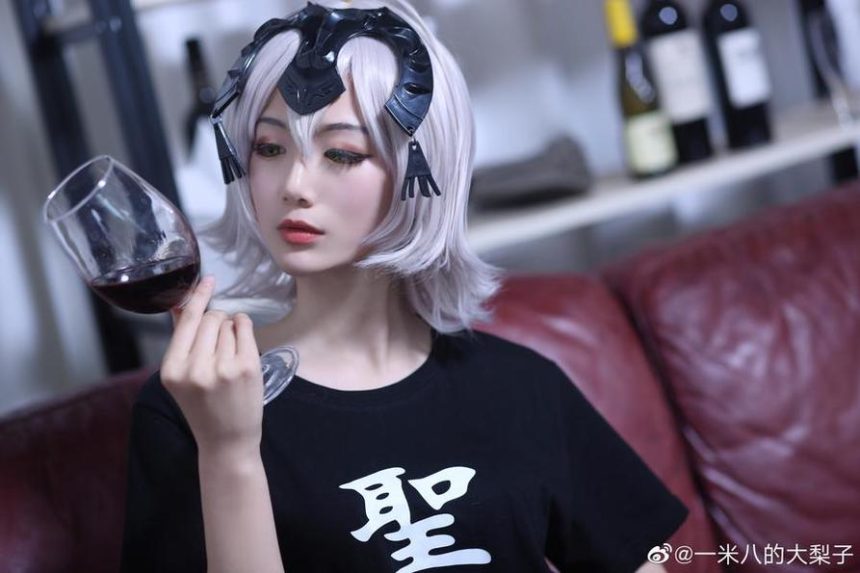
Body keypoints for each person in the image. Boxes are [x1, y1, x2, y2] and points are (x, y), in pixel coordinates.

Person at [120, 1, 688, 572]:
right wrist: (229, 453)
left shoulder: (519, 387)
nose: (294, 184)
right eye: (270, 148)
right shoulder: (193, 408)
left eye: (341, 153)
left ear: (423, 170)